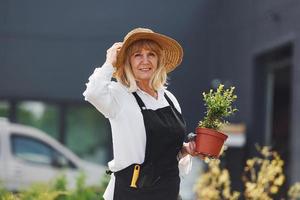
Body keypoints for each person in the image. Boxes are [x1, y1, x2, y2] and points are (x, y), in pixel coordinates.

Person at [83, 28, 197, 200]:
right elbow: (92, 93)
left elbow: (165, 150)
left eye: (151, 54)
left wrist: (185, 149)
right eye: (137, 55)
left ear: (158, 60)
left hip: (168, 192)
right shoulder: (119, 95)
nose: (145, 61)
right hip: (132, 194)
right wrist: (109, 63)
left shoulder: (169, 98)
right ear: (127, 62)